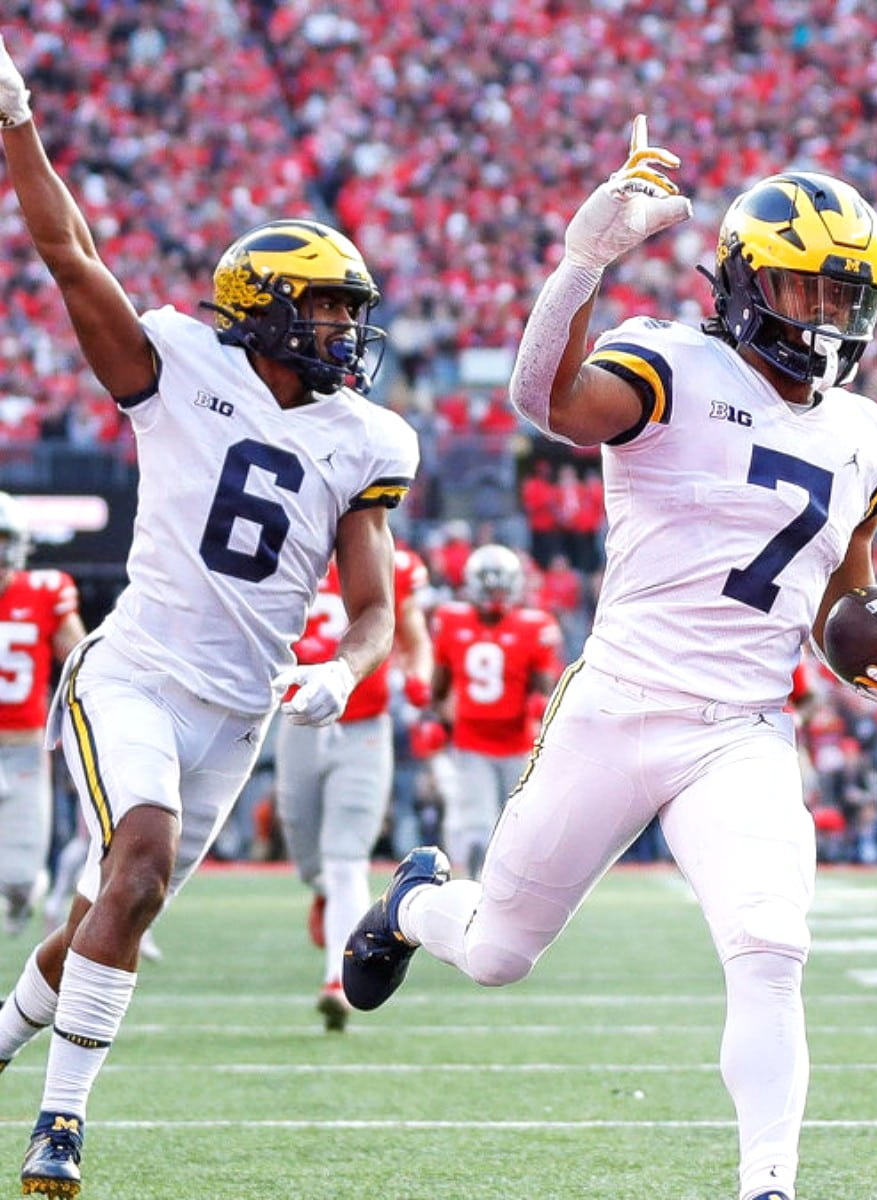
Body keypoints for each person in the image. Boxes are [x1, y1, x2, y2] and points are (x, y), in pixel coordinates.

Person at [342, 114, 877, 1200]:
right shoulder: (676, 363)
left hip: (738, 731)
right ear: (744, 284)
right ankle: (414, 903)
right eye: (804, 289)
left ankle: (769, 1182)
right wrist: (583, 263)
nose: (827, 316)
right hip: (618, 704)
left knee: (771, 944)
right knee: (499, 951)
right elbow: (543, 401)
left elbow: (841, 597)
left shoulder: (869, 435)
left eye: (846, 294)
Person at [0, 33, 419, 1198]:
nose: (346, 333)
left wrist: (350, 665)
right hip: (131, 673)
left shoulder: (363, 440)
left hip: (237, 720)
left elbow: (375, 601)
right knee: (136, 868)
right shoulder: (178, 367)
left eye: (351, 313)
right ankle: (62, 1128)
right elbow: (68, 253)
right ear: (264, 309)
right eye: (328, 311)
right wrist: (16, 124)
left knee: (101, 913)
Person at [274, 544, 432, 1031]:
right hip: (298, 720)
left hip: (365, 726)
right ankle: (323, 891)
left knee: (346, 858)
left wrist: (419, 682)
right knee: (305, 843)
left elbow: (414, 637)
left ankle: (337, 985)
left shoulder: (395, 559)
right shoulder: (288, 549)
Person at [429, 543, 563, 876]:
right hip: (488, 743)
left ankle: (493, 889)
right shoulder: (534, 625)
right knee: (490, 828)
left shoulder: (450, 618)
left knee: (502, 828)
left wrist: (438, 713)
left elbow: (438, 686)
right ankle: (482, 891)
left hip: (501, 742)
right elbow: (545, 688)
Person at [0, 492, 86, 937]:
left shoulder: (45, 591)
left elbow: (78, 664)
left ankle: (20, 898)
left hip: (24, 750)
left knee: (18, 878)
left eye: (2, 540)